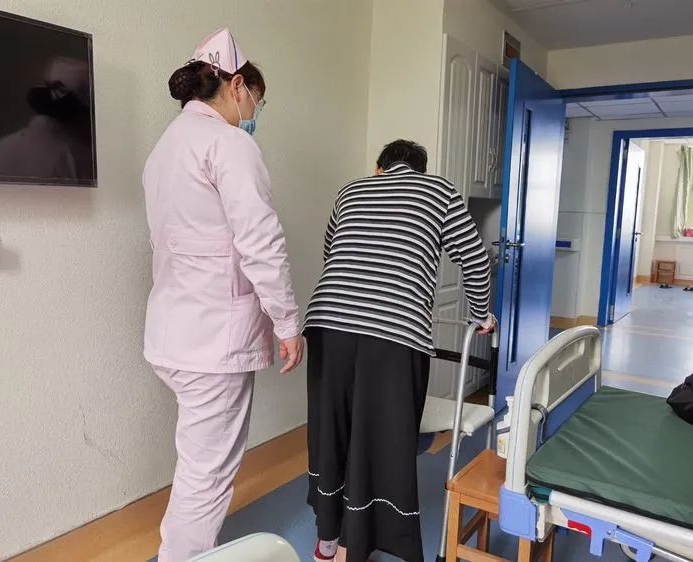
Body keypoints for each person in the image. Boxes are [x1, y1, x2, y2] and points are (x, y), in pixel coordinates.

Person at [143, 29, 304, 562]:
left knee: (197, 466)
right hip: (214, 340)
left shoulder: (164, 148)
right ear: (236, 86)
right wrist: (287, 323)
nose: (254, 113)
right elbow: (261, 240)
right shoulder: (229, 144)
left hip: (173, 333)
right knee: (206, 478)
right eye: (256, 100)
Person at [303, 140, 494, 562]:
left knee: (332, 431)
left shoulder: (351, 190)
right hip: (393, 330)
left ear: (380, 168)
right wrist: (481, 314)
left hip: (327, 322)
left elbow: (332, 251)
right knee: (379, 437)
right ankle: (355, 544)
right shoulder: (439, 190)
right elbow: (476, 260)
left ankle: (328, 539)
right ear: (419, 172)